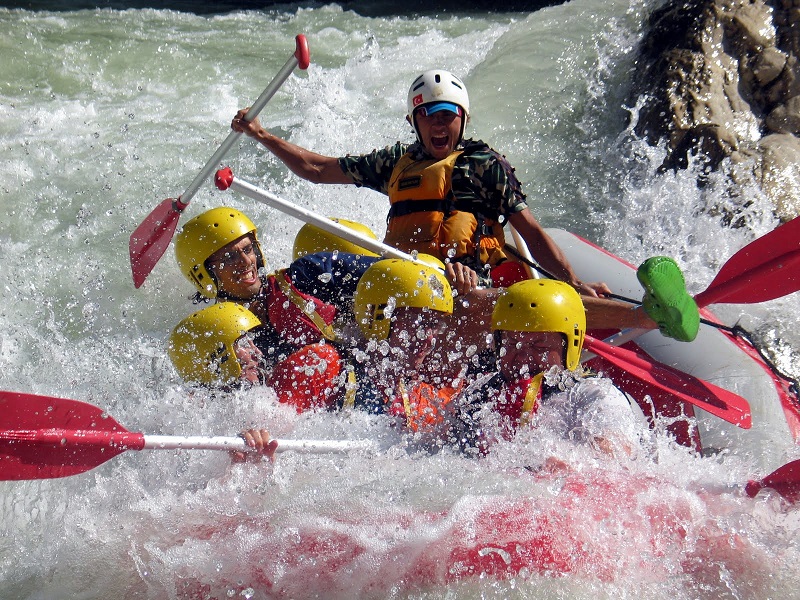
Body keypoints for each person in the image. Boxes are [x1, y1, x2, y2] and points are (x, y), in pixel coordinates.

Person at [230, 69, 700, 343]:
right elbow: (316, 169)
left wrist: (572, 282)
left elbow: (531, 233)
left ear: (462, 120)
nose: (438, 125)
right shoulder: (396, 162)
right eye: (428, 116)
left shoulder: (484, 164)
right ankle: (252, 320)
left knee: (478, 301)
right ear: (415, 120)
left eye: (447, 116)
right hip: (397, 275)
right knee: (317, 268)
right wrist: (261, 135)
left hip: (465, 280)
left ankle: (648, 315)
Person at [451, 279, 647, 458]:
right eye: (511, 343)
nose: (523, 356)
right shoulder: (479, 393)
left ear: (569, 346)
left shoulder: (594, 395)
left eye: (539, 346)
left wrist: (559, 462)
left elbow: (617, 453)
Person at [353, 256, 466, 438]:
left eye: (434, 324)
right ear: (381, 318)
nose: (428, 338)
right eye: (420, 323)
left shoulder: (422, 399)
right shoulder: (325, 367)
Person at [168, 302, 346, 411]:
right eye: (245, 345)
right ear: (218, 361)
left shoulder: (282, 388)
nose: (258, 352)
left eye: (252, 342)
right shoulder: (199, 416)